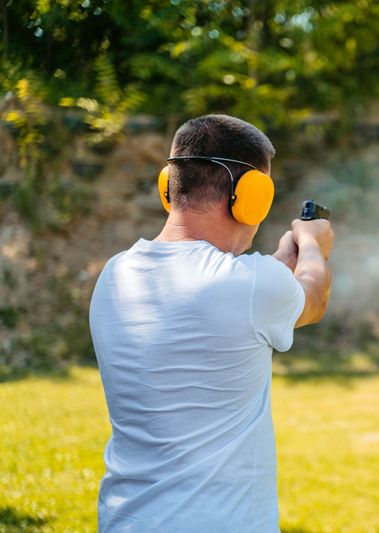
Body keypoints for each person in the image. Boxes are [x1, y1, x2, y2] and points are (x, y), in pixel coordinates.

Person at [89, 114, 334, 532]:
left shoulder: (115, 273)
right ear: (250, 196)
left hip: (125, 520)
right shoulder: (251, 288)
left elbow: (224, 299)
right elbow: (312, 298)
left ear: (169, 186)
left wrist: (279, 265)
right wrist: (312, 246)